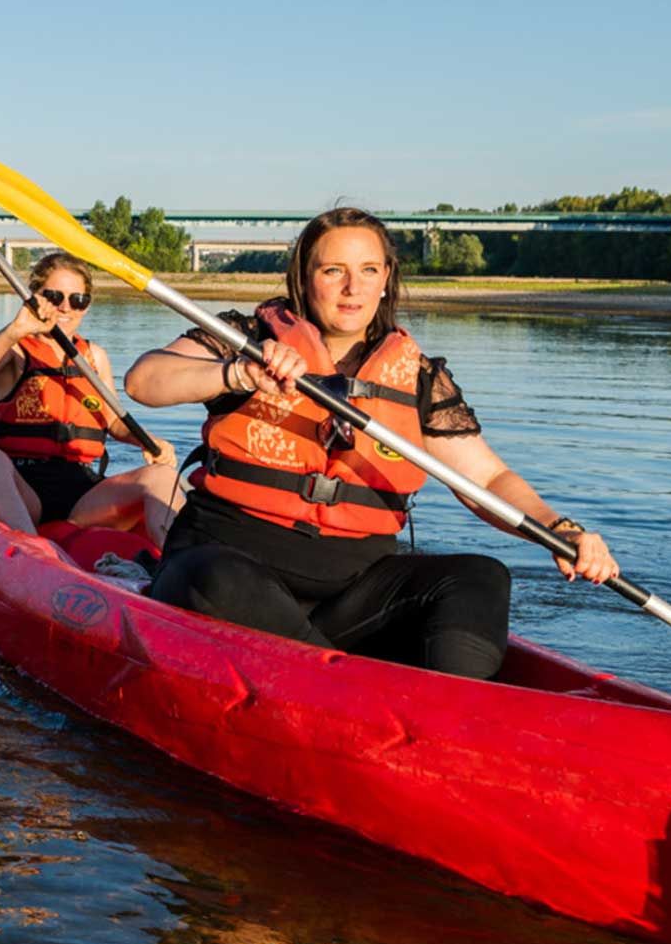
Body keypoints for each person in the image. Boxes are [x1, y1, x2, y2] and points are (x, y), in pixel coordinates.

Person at [121, 207, 617, 680]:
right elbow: (145, 380)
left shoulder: (419, 379)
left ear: (386, 279)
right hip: (226, 570)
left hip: (351, 594)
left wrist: (561, 528)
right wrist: (238, 373)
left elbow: (486, 479)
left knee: (481, 576)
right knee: (216, 576)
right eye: (333, 270)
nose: (352, 287)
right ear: (304, 278)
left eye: (367, 269)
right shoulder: (245, 338)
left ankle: (440, 713)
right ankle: (342, 687)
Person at [0, 250, 182, 543]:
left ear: (86, 307)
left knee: (163, 476)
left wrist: (147, 441)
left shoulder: (94, 357)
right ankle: (32, 555)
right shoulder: (15, 350)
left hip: (82, 491)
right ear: (35, 296)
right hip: (23, 486)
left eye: (78, 300)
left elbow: (113, 422)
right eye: (54, 296)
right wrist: (16, 329)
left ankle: (175, 566)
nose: (66, 308)